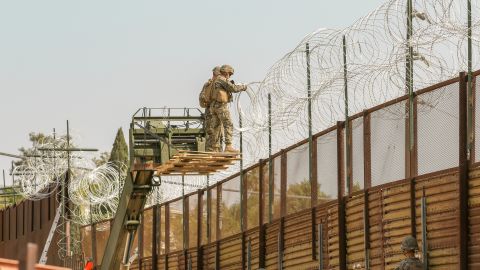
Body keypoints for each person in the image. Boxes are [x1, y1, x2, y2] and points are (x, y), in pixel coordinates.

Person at [210, 64, 247, 152]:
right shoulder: (222, 79)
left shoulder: (216, 80)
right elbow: (233, 88)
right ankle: (228, 146)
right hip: (221, 106)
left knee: (216, 127)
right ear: (226, 72)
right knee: (228, 124)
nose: (229, 76)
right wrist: (243, 87)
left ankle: (215, 148)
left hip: (214, 106)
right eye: (229, 74)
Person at [202, 66, 222, 152]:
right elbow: (202, 99)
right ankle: (211, 155)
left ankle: (217, 154)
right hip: (211, 114)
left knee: (218, 135)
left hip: (218, 113)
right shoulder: (209, 85)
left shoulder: (219, 84)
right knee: (211, 135)